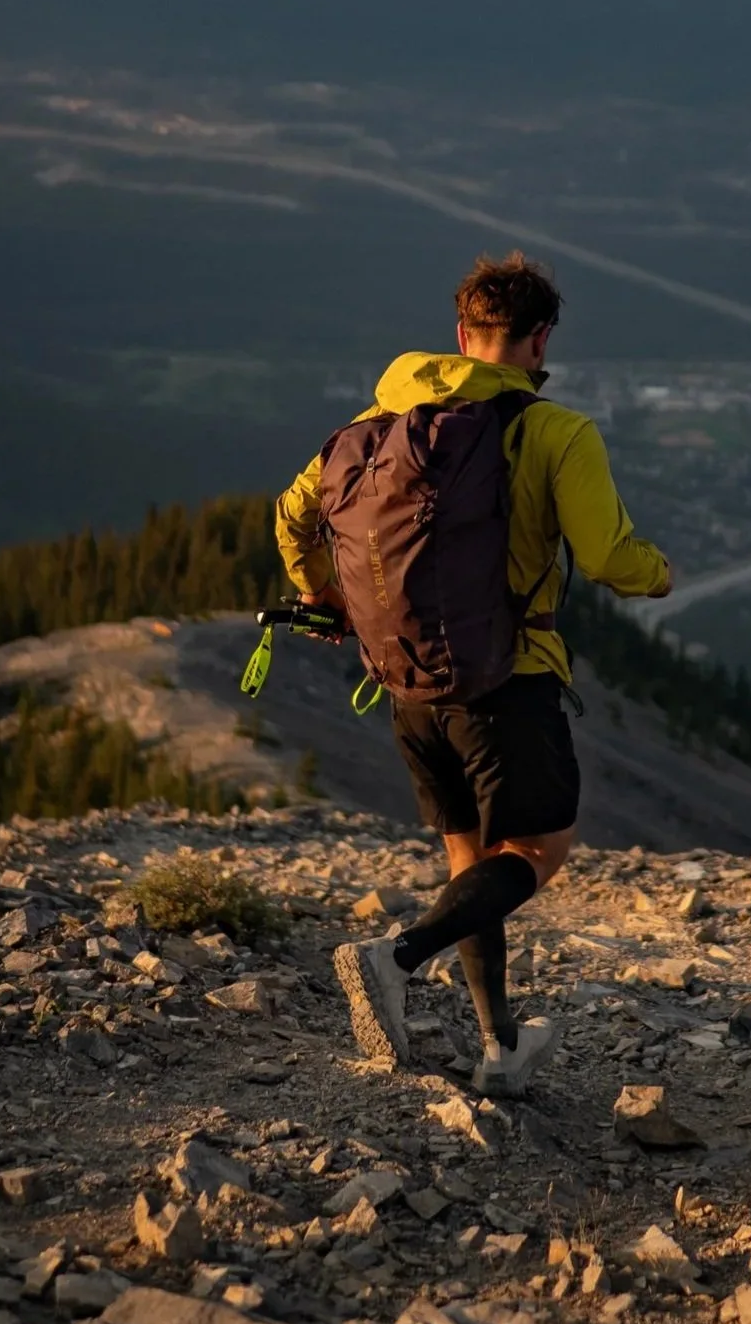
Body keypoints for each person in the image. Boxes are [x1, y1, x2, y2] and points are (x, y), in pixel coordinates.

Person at [274, 251, 673, 1095]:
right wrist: (657, 572)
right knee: (538, 848)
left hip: (410, 683)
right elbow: (606, 556)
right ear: (539, 342)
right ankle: (397, 957)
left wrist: (323, 596)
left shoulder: (375, 427)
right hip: (507, 681)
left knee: (472, 865)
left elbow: (291, 515)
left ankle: (500, 1050)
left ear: (460, 336)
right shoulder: (556, 432)